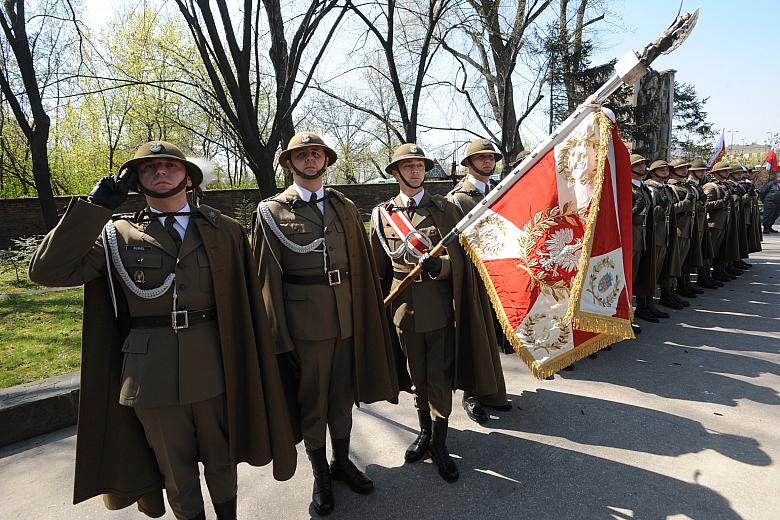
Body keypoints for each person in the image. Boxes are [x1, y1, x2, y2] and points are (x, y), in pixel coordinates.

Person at [28, 141, 298, 520]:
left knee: (222, 462)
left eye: (170, 165)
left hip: (215, 365)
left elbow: (246, 306)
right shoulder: (115, 234)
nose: (160, 171)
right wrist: (94, 207)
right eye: (148, 167)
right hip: (149, 376)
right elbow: (47, 271)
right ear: (136, 179)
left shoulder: (225, 232)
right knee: (175, 471)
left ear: (188, 176)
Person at [252, 131, 399, 516]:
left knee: (342, 398)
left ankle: (342, 462)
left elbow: (362, 268)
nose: (311, 159)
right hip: (306, 327)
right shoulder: (271, 212)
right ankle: (320, 474)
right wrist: (281, 341)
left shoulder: (343, 206)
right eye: (303, 155)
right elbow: (268, 281)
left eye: (317, 154)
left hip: (346, 318)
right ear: (289, 163)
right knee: (313, 404)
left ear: (326, 161)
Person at [370, 143, 504, 484]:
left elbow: (463, 259)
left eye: (420, 166)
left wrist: (439, 266)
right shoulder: (382, 213)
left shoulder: (445, 208)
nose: (416, 171)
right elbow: (375, 268)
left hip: (440, 310)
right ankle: (425, 433)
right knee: (417, 379)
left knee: (439, 379)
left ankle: (440, 443)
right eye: (408, 166)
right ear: (395, 173)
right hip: (403, 311)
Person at [446, 138, 512, 423]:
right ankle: (471, 393)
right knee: (474, 334)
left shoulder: (502, 190)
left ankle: (491, 387)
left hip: (501, 270)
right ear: (468, 163)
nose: (487, 162)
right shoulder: (458, 198)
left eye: (490, 158)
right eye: (481, 158)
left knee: (492, 337)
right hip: (473, 276)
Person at [644, 160, 683, 311]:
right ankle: (646, 303)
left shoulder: (666, 189)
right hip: (656, 235)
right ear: (653, 172)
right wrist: (661, 208)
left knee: (664, 267)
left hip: (666, 233)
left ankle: (666, 295)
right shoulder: (651, 189)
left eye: (667, 170)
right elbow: (649, 214)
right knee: (651, 270)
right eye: (661, 170)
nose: (665, 172)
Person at [631, 154, 664, 322]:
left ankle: (645, 306)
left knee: (642, 273)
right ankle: (628, 314)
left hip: (643, 237)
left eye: (644, 165)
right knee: (629, 277)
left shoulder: (643, 188)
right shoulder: (627, 188)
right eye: (637, 165)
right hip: (632, 239)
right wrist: (635, 212)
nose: (642, 168)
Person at [684, 159, 717, 290]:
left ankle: (695, 280)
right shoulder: (688, 185)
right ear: (692, 171)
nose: (703, 172)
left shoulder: (698, 185)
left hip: (700, 223)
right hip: (690, 225)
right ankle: (683, 284)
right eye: (700, 170)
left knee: (700, 252)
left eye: (704, 170)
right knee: (686, 256)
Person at [666, 159, 697, 298]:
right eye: (681, 169)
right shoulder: (671, 187)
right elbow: (671, 210)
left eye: (685, 168)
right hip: (677, 230)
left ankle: (681, 286)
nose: (685, 171)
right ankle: (668, 292)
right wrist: (686, 202)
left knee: (683, 261)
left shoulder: (685, 186)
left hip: (687, 228)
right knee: (673, 263)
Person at [704, 161, 737, 282]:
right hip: (713, 224)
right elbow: (706, 204)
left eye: (728, 171)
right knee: (710, 251)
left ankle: (719, 272)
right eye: (724, 171)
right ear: (716, 173)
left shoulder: (725, 185)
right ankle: (705, 276)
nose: (727, 173)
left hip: (724, 222)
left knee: (721, 250)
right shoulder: (710, 186)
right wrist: (722, 201)